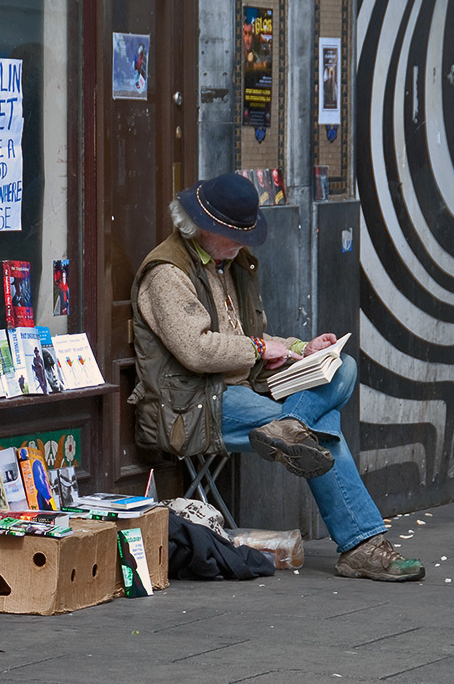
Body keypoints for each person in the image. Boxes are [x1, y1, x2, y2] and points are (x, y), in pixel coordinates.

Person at [129, 172, 425, 582]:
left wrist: (301, 349)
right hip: (194, 402)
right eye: (234, 234)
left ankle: (291, 424)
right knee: (321, 430)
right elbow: (196, 350)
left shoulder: (228, 261)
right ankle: (362, 545)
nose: (243, 243)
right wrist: (258, 350)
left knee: (343, 368)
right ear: (202, 227)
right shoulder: (167, 274)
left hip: (244, 385)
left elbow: (249, 336)